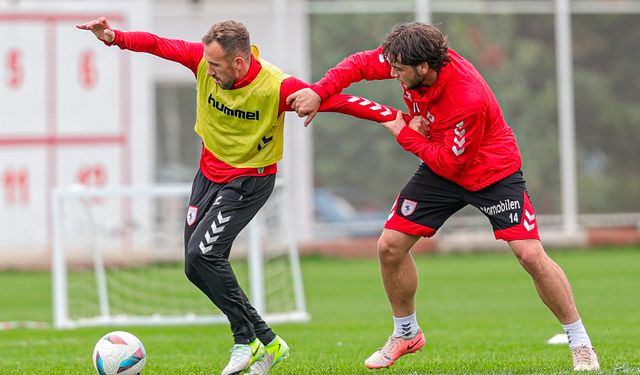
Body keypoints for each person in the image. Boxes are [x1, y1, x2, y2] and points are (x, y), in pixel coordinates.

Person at [77, 17, 399, 375]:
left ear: (239, 62)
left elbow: (338, 100)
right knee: (194, 265)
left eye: (216, 65)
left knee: (204, 254)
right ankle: (249, 341)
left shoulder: (275, 86)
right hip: (208, 174)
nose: (209, 70)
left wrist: (393, 117)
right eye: (207, 63)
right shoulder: (202, 61)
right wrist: (113, 37)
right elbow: (156, 43)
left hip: (248, 181)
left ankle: (265, 341)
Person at [287, 22, 599, 372]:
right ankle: (406, 333)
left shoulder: (467, 98)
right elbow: (358, 65)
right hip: (441, 162)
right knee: (389, 246)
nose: (391, 73)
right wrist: (319, 91)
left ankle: (580, 342)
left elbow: (452, 163)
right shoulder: (405, 57)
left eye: (398, 70)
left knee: (529, 254)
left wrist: (404, 134)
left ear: (424, 68)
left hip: (490, 172)